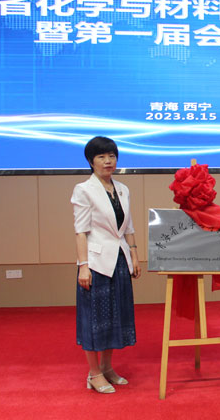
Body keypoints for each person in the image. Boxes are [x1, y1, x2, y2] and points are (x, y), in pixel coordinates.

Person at [71, 136, 141, 394]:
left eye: (111, 156)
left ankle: (108, 367)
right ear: (91, 162)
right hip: (96, 262)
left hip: (119, 259)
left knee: (115, 316)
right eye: (101, 157)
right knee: (94, 319)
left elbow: (128, 226)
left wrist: (134, 254)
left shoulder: (122, 188)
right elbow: (81, 231)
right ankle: (94, 373)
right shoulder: (84, 189)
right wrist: (83, 265)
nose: (108, 161)